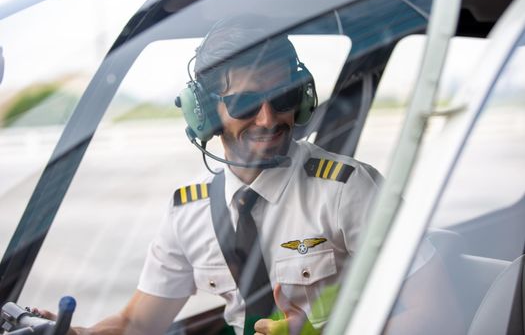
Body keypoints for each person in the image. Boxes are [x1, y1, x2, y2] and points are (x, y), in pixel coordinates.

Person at [38, 17, 463, 335]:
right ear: (204, 112)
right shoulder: (189, 212)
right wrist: (74, 332)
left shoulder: (346, 190)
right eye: (245, 102)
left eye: (284, 97)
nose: (269, 118)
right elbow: (137, 323)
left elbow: (438, 313)